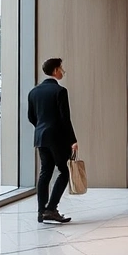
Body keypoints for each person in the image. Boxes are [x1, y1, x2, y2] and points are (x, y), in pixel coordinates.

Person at [27, 57, 77, 224]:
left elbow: (31, 117)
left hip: (41, 137)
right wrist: (73, 140)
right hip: (57, 138)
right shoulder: (60, 91)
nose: (63, 71)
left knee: (45, 172)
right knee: (64, 171)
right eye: (61, 68)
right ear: (56, 70)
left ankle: (41, 212)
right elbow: (65, 119)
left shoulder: (33, 92)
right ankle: (51, 209)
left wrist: (42, 128)